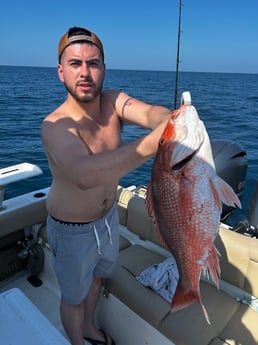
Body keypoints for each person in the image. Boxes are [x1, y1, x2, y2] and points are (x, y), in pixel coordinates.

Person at [41, 26, 171, 345]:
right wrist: (154, 144)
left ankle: (90, 330)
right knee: (73, 297)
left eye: (93, 63)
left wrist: (170, 119)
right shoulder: (53, 125)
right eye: (75, 63)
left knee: (97, 280)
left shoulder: (113, 102)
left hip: (109, 219)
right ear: (61, 72)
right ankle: (77, 341)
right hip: (72, 231)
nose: (85, 72)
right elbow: (84, 175)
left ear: (103, 69)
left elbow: (154, 114)